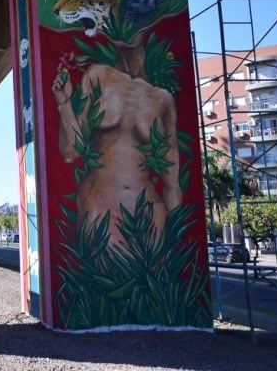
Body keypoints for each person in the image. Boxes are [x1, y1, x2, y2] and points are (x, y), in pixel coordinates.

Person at [51, 29, 182, 248]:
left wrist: (177, 243)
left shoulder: (163, 99)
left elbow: (172, 184)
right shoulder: (98, 76)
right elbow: (71, 151)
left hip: (149, 218)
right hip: (101, 212)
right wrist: (64, 104)